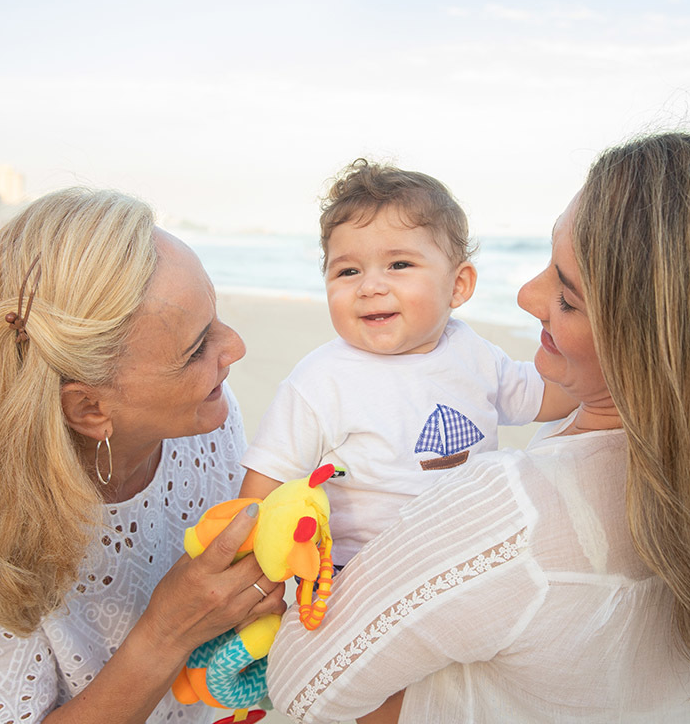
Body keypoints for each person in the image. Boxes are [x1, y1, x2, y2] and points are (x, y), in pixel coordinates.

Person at [266, 133, 690, 724]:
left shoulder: (512, 512)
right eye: (550, 263)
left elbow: (300, 686)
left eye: (568, 296)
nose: (529, 296)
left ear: (652, 341)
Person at [0, 189, 286, 723]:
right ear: (90, 409)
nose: (235, 347)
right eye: (197, 347)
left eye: (216, 317)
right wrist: (165, 634)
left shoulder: (202, 425)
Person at [238, 159, 575, 567]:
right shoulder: (320, 380)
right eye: (348, 271)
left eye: (399, 265)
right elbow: (267, 480)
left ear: (458, 285)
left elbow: (549, 397)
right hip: (361, 570)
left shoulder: (472, 352)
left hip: (467, 557)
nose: (371, 286)